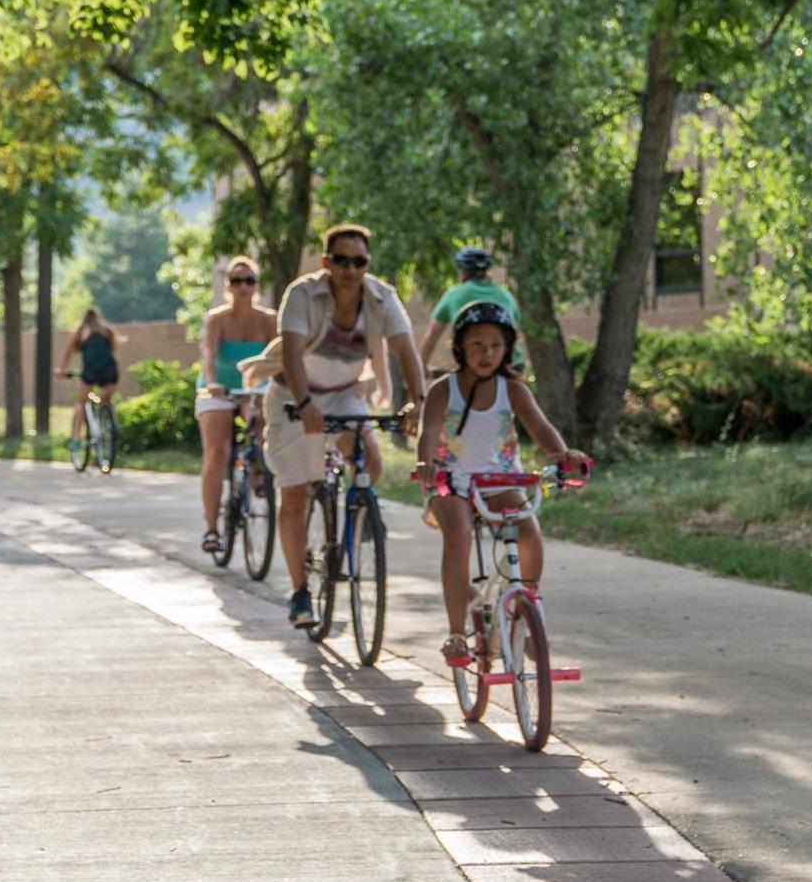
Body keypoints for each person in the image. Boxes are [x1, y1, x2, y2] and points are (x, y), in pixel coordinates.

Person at [238, 223, 429, 627]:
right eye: (341, 260)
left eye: (359, 261)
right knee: (295, 494)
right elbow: (290, 351)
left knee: (369, 461)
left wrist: (419, 401)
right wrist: (305, 402)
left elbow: (405, 349)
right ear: (326, 262)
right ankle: (300, 592)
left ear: (367, 264)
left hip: (344, 392)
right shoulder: (303, 294)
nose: (350, 269)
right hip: (294, 394)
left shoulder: (381, 298)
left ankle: (354, 523)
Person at [415, 301, 588, 667]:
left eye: (495, 345)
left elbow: (540, 428)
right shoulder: (444, 389)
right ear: (460, 347)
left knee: (528, 529)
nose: (487, 353)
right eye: (477, 344)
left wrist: (562, 456)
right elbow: (428, 431)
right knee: (458, 535)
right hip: (452, 480)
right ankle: (456, 633)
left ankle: (526, 608)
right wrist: (426, 464)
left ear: (507, 349)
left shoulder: (513, 390)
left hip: (500, 479)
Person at [195, 256, 277, 553]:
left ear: (256, 285)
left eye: (250, 281)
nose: (244, 287)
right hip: (218, 388)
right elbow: (207, 353)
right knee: (217, 453)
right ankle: (212, 529)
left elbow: (276, 357)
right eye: (238, 281)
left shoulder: (268, 319)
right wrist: (213, 382)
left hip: (253, 386)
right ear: (228, 285)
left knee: (264, 424)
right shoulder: (217, 319)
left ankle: (258, 471)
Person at [419, 245, 523, 372]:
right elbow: (514, 331)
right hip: (509, 364)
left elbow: (432, 335)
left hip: (474, 363)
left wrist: (421, 366)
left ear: (463, 271)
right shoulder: (506, 295)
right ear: (485, 271)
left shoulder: (454, 294)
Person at [55, 307, 120, 452]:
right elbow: (113, 350)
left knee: (81, 402)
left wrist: (61, 370)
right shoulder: (107, 330)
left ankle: (76, 439)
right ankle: (113, 426)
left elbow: (67, 353)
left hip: (91, 372)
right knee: (107, 400)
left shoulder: (80, 330)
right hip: (111, 370)